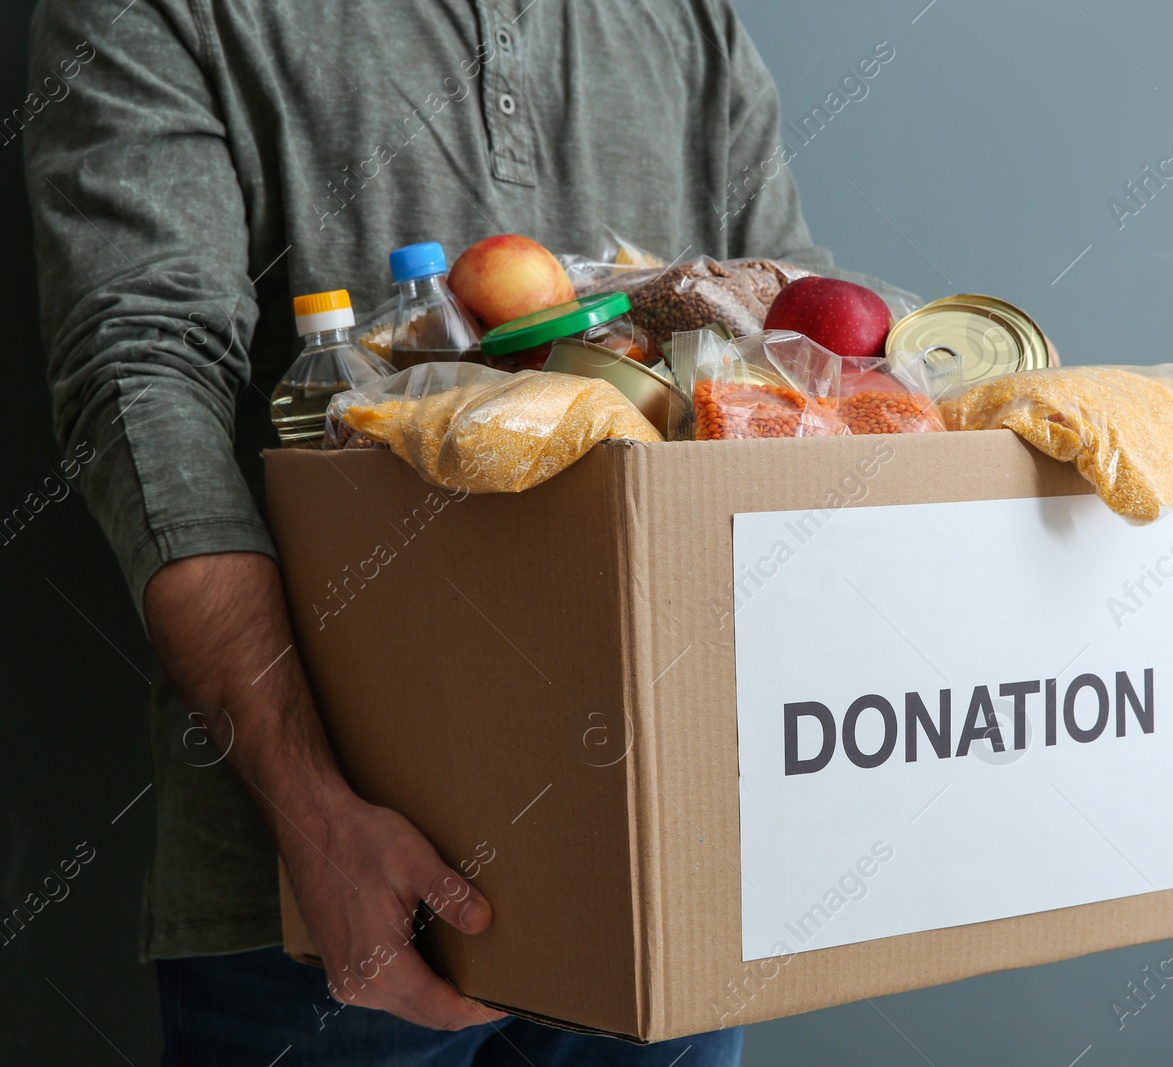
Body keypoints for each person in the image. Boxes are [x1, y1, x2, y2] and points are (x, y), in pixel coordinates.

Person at [25, 1, 830, 1061]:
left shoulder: (685, 22)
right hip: (320, 898)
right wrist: (312, 811)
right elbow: (142, 379)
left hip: (661, 856)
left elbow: (801, 357)